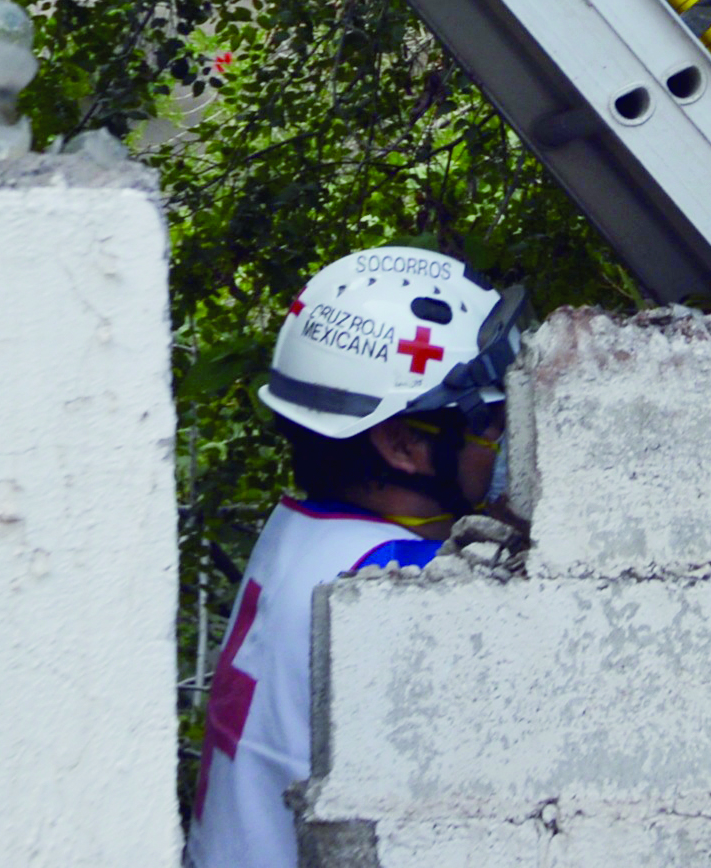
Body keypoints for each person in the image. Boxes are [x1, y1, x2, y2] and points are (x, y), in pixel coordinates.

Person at [188, 247, 522, 868]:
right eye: (490, 420)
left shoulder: (300, 531)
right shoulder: (400, 587)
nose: (506, 440)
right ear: (400, 444)